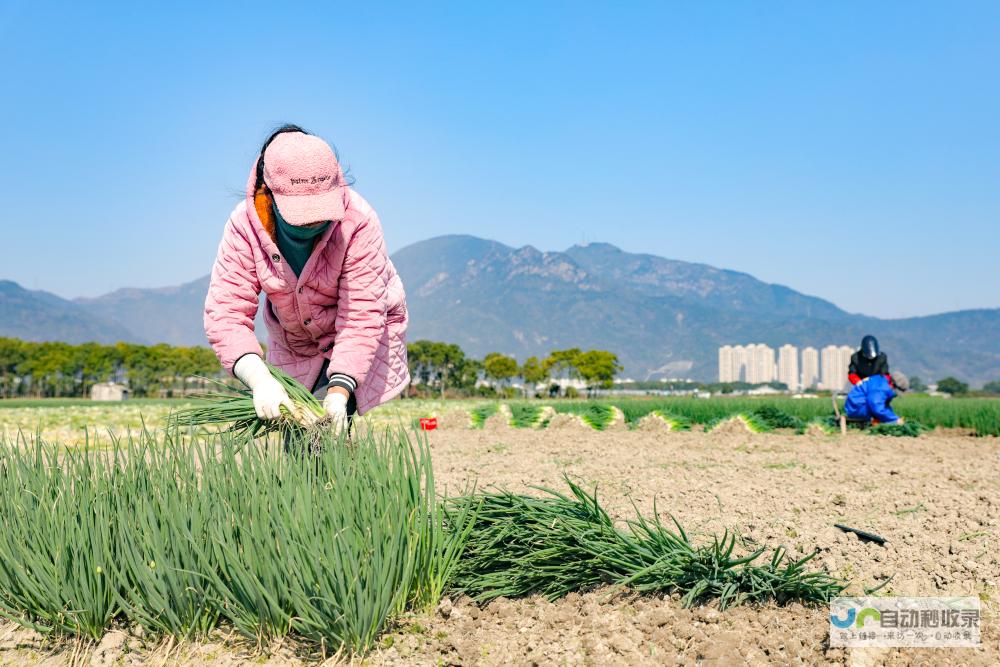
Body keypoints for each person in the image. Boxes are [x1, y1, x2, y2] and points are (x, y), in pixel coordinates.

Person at [204, 125, 410, 435]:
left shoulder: (358, 220)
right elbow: (226, 314)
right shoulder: (244, 226)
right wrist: (260, 380)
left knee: (325, 430)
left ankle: (340, 478)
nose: (314, 221)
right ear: (269, 194)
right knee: (297, 436)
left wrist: (339, 395)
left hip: (357, 334)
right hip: (295, 341)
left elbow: (361, 316)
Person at [843, 371, 909, 425]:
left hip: (858, 405)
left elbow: (885, 405)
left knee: (885, 417)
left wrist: (893, 417)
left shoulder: (882, 381)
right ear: (892, 384)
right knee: (887, 421)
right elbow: (876, 407)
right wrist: (895, 420)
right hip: (856, 408)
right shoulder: (881, 388)